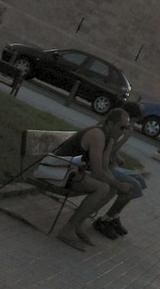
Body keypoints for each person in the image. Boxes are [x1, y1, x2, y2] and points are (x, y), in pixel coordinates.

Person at [52, 107, 135, 250]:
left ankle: (78, 223)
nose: (123, 131)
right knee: (102, 187)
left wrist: (117, 185)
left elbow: (105, 167)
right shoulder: (97, 135)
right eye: (121, 127)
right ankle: (67, 230)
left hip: (71, 171)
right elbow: (97, 172)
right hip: (58, 171)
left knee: (110, 189)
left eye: (126, 128)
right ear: (109, 124)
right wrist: (119, 184)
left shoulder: (108, 138)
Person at [93, 100, 147, 239]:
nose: (132, 125)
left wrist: (118, 156)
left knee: (140, 180)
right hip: (103, 167)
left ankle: (114, 216)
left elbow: (110, 149)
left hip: (110, 164)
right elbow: (109, 150)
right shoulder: (113, 128)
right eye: (132, 121)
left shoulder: (116, 126)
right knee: (132, 187)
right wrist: (126, 138)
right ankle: (105, 220)